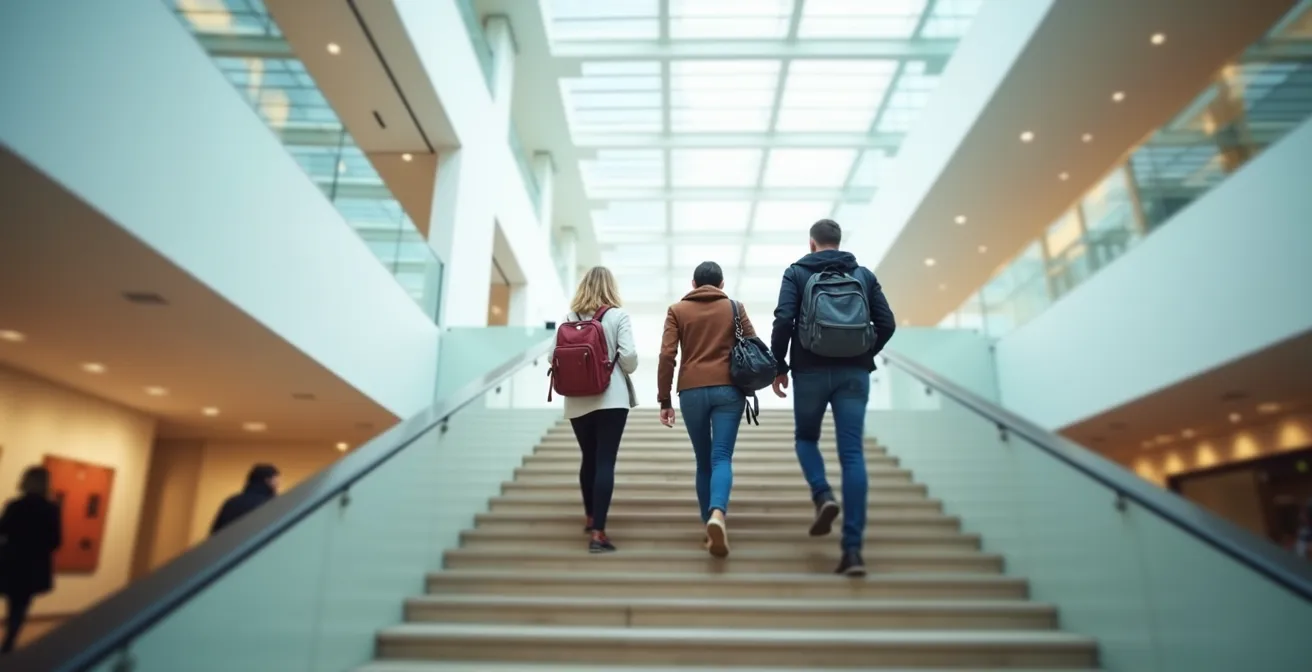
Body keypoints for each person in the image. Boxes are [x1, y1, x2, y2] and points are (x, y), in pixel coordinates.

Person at [770, 219, 896, 576]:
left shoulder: (796, 272)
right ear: (839, 242)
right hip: (854, 374)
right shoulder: (864, 275)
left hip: (809, 370)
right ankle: (852, 551)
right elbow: (887, 323)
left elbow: (783, 320)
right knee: (852, 454)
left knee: (806, 437)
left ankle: (823, 494)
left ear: (812, 243)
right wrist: (863, 352)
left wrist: (779, 365)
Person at [657, 261, 756, 558]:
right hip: (729, 389)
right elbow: (753, 345)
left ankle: (708, 527)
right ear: (722, 284)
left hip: (691, 391)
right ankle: (717, 515)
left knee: (703, 460)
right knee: (721, 456)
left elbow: (666, 355)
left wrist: (664, 400)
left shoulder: (677, 310)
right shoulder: (735, 307)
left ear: (693, 283)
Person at [551, 266, 638, 553]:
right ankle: (598, 533)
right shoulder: (617, 316)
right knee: (604, 461)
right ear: (610, 288)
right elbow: (630, 360)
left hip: (576, 400)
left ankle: (591, 516)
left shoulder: (567, 319)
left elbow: (554, 358)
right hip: (610, 399)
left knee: (588, 457)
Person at [0, 466, 62, 654]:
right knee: (20, 606)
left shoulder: (15, 505)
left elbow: (2, 531)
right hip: (34, 567)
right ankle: (9, 642)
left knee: (12, 602)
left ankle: (8, 643)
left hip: (11, 562)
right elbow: (55, 541)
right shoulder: (51, 509)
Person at [210, 464, 281, 536]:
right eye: (276, 480)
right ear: (267, 480)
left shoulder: (231, 502)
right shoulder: (271, 504)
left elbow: (215, 533)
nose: (278, 484)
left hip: (230, 546)